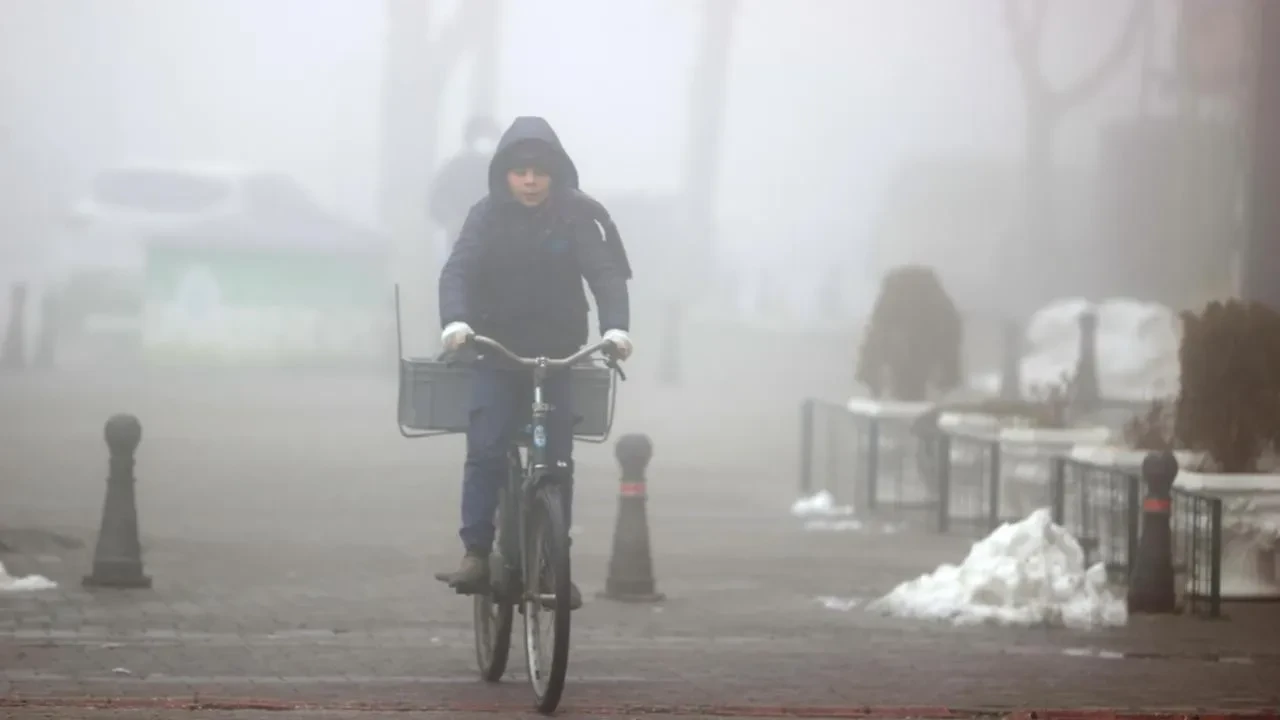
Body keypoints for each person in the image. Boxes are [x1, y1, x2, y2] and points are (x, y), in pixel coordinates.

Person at [433, 116, 633, 610]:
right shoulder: (485, 217)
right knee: (486, 446)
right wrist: (456, 322)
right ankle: (477, 552)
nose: (529, 181)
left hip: (558, 356)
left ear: (555, 175)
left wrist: (616, 328)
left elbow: (606, 276)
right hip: (496, 352)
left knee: (558, 462)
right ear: (504, 174)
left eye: (539, 172)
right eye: (520, 171)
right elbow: (456, 270)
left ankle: (552, 561)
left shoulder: (577, 218)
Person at [428, 116, 501, 252]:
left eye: (488, 137)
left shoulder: (504, 170)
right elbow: (436, 202)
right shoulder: (454, 168)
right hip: (461, 241)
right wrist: (452, 220)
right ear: (469, 139)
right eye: (480, 136)